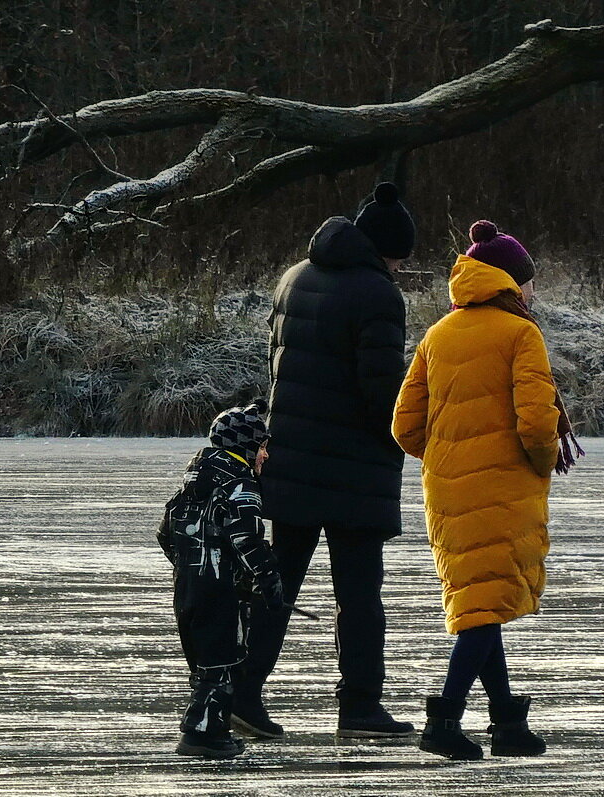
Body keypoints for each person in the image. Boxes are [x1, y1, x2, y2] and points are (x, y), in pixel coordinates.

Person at [392, 219, 583, 760]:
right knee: (482, 609)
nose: (532, 292)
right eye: (528, 281)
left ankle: (506, 724)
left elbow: (404, 427)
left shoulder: (438, 334)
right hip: (503, 490)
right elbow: (537, 424)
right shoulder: (521, 334)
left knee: (482, 604)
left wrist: (449, 457)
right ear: (506, 280)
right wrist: (543, 464)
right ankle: (444, 721)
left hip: (447, 491)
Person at [233, 182, 417, 739]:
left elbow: (277, 367)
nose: (399, 269)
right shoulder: (377, 295)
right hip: (354, 468)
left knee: (277, 582)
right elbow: (382, 392)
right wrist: (411, 434)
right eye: (398, 259)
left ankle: (241, 691)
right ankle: (359, 704)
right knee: (358, 594)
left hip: (291, 457)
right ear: (385, 250)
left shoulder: (294, 278)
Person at [157, 401, 284, 759]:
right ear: (244, 447)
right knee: (223, 664)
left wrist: (190, 567)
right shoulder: (240, 484)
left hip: (188, 589)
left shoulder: (191, 486)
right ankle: (202, 733)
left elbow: (165, 534)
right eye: (261, 447)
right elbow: (246, 537)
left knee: (204, 664)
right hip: (220, 591)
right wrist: (266, 577)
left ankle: (211, 728)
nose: (265, 456)